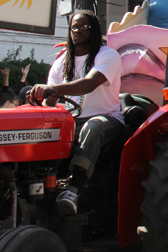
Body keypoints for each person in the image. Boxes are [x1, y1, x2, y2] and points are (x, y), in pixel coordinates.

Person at [31, 11, 124, 215]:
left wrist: (53, 88)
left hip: (106, 119)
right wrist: (40, 100)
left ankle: (73, 191)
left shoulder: (107, 55)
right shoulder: (62, 62)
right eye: (74, 27)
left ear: (94, 29)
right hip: (71, 121)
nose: (77, 31)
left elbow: (89, 83)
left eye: (83, 27)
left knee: (93, 127)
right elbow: (50, 102)